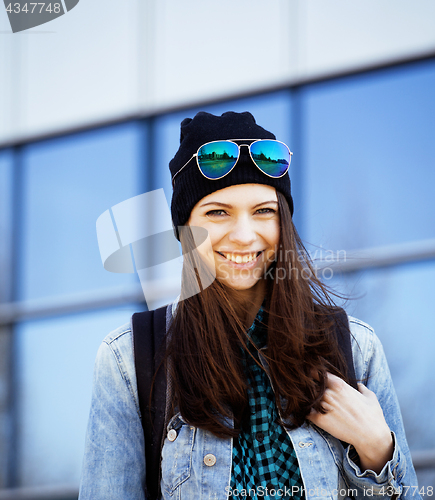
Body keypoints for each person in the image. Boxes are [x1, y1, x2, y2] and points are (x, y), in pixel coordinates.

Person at [79, 111, 420, 500]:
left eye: (263, 211)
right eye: (217, 212)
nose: (244, 235)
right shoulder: (129, 360)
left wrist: (377, 451)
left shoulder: (354, 347)